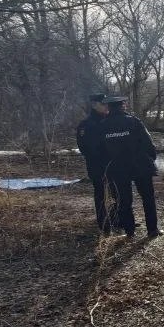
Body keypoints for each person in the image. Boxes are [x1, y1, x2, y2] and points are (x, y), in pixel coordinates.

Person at [102, 95, 161, 239]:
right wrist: (151, 159)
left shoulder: (102, 126)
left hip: (117, 168)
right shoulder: (134, 121)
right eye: (124, 103)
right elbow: (148, 143)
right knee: (148, 197)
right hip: (140, 165)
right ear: (123, 105)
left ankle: (129, 232)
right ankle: (152, 230)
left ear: (108, 108)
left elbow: (99, 150)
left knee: (123, 200)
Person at [75, 93, 110, 233]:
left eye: (107, 103)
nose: (107, 106)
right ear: (95, 105)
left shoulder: (111, 120)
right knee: (100, 194)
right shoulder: (86, 124)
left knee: (118, 193)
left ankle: (118, 219)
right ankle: (103, 223)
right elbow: (84, 148)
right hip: (97, 165)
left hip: (114, 165)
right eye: (103, 104)